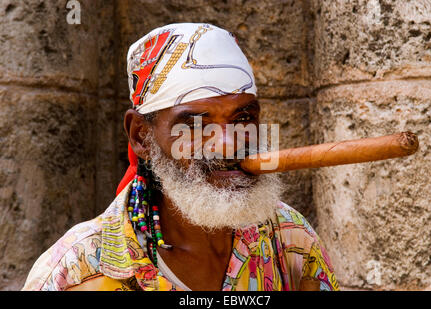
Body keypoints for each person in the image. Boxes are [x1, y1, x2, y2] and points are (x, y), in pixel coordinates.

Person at [22, 23, 339, 291]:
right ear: (140, 136)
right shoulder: (75, 271)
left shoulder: (290, 237)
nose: (227, 144)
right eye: (196, 123)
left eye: (243, 118)